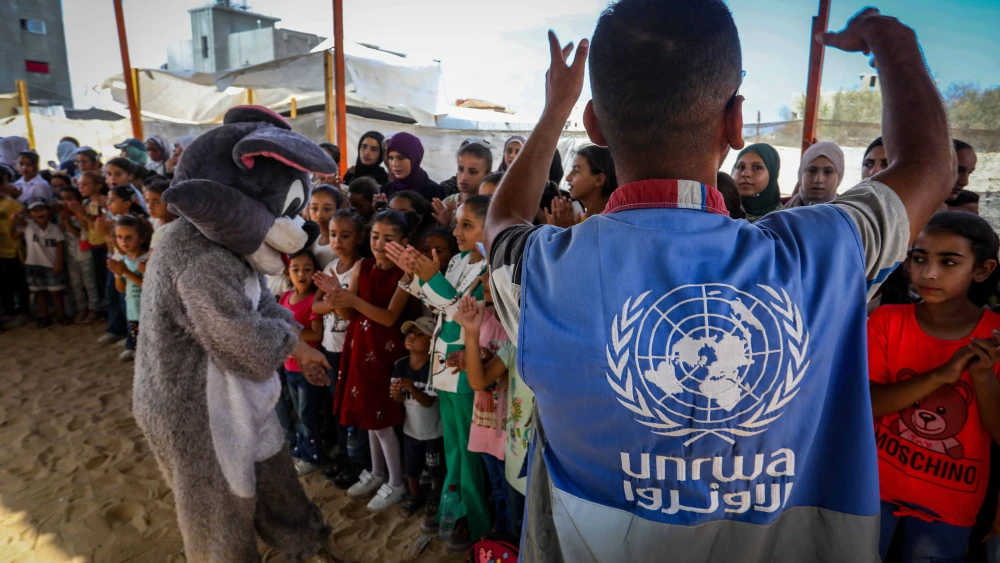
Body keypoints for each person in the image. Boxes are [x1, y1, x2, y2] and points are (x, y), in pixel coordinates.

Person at [485, 4, 956, 560]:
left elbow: (502, 222)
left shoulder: (543, 273)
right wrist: (890, 39)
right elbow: (931, 166)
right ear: (736, 124)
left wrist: (553, 108)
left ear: (593, 125)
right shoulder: (824, 250)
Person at [869, 212, 1000, 561]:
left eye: (949, 262)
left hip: (949, 503)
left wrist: (983, 375)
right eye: (919, 258)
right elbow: (866, 405)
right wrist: (941, 376)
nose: (928, 273)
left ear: (982, 270)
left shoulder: (995, 338)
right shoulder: (886, 321)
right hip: (873, 490)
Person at [387, 195, 492, 551]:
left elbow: (460, 310)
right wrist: (414, 275)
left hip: (466, 367)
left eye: (467, 225)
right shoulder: (461, 260)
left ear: (489, 229)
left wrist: (430, 276)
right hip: (444, 365)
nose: (456, 231)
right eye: (457, 223)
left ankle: (477, 525)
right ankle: (455, 510)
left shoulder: (490, 270)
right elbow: (436, 304)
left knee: (468, 451)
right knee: (454, 449)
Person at [327, 209, 417, 512]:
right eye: (376, 236)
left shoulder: (406, 275)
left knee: (381, 420)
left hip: (384, 355)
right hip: (358, 348)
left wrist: (351, 300)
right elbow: (347, 314)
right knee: (367, 416)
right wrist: (337, 298)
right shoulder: (361, 266)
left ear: (404, 242)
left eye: (388, 238)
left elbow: (389, 316)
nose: (379, 244)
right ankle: (377, 473)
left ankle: (396, 482)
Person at [455, 276, 513, 537]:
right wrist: (471, 346)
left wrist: (487, 361)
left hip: (512, 432)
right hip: (486, 424)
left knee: (512, 495)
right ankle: (501, 540)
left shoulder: (518, 330)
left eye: (492, 276)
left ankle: (509, 542)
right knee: (498, 488)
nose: (483, 281)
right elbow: (477, 378)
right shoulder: (483, 318)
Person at [313, 209, 367, 486]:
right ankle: (345, 456)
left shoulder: (361, 267)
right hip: (329, 347)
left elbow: (350, 312)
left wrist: (335, 301)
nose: (337, 240)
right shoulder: (330, 267)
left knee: (352, 406)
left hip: (351, 349)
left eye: (345, 235)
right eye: (333, 235)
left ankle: (359, 462)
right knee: (337, 406)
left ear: (359, 237)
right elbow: (316, 305)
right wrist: (335, 300)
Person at [389, 316, 445, 518]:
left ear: (432, 342)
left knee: (435, 465)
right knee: (411, 465)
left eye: (421, 334)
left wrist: (411, 386)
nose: (412, 336)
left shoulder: (435, 367)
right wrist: (397, 392)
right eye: (411, 332)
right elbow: (397, 399)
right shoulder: (400, 365)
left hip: (433, 430)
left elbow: (429, 402)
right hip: (411, 428)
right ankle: (414, 494)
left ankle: (436, 493)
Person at [278, 250, 326, 476]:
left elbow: (316, 335)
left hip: (309, 369)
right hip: (289, 367)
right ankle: (302, 448)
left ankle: (313, 455)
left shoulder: (312, 301)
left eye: (307, 269)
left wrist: (291, 331)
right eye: (295, 269)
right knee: (298, 411)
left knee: (308, 414)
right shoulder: (285, 298)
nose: (301, 274)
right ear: (288, 272)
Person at [15, 199, 67, 327]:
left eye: (42, 209)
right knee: (39, 292)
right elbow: (18, 221)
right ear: (30, 213)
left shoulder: (54, 228)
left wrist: (58, 263)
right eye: (35, 210)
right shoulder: (28, 225)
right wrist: (22, 215)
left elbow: (60, 246)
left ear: (48, 211)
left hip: (51, 264)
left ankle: (62, 315)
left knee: (56, 292)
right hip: (33, 264)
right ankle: (45, 316)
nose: (39, 213)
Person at [108, 215, 150, 361]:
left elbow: (148, 286)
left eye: (129, 237)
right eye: (119, 237)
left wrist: (125, 271)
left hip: (148, 310)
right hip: (132, 309)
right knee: (136, 336)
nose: (123, 241)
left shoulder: (145, 259)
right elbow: (121, 289)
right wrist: (118, 274)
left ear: (142, 238)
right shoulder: (123, 260)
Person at [59, 187, 100, 323]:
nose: (67, 203)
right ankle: (81, 308)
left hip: (85, 254)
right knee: (76, 284)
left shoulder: (83, 213)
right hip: (71, 256)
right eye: (63, 199)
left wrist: (69, 223)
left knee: (89, 283)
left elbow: (83, 234)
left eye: (70, 199)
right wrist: (64, 221)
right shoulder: (63, 215)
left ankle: (94, 308)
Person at [433, 143, 493, 227]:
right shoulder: (447, 204)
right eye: (461, 169)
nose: (464, 177)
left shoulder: (489, 208)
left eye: (472, 172)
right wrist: (443, 225)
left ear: (488, 176)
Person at [0, 168, 30, 324]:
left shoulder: (10, 203)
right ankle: (8, 309)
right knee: (3, 282)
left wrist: (19, 230)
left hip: (13, 248)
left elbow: (25, 219)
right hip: (1, 249)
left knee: (18, 280)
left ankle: (24, 311)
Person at [382, 133, 445, 201]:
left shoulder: (434, 191)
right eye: (391, 158)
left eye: (401, 158)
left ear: (414, 158)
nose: (394, 164)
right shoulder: (386, 190)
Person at [564, 144, 618, 218]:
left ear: (599, 180)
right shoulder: (580, 219)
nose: (568, 178)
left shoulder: (609, 223)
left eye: (576, 171)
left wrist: (566, 228)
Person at [785, 141, 844, 207]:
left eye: (828, 172)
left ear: (839, 176)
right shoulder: (779, 212)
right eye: (812, 171)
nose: (818, 180)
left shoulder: (848, 214)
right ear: (801, 173)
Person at [733, 143, 783, 221]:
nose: (745, 174)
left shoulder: (784, 222)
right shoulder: (719, 212)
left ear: (772, 173)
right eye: (741, 167)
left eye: (756, 167)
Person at [308, 185, 344, 269]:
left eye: (327, 209)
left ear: (338, 210)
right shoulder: (313, 240)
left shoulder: (340, 245)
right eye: (314, 208)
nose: (319, 214)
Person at [144, 179, 176, 251]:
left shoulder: (167, 229)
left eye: (157, 202)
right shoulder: (154, 220)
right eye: (147, 201)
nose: (149, 207)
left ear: (170, 202)